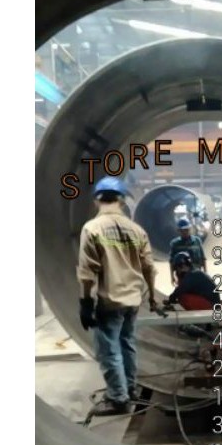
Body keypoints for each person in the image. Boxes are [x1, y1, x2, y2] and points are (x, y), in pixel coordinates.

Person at [76, 176, 157, 415]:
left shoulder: (92, 228)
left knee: (109, 350)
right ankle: (130, 389)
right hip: (133, 300)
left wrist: (85, 303)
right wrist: (153, 297)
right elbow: (149, 267)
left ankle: (118, 399)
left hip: (109, 300)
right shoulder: (137, 230)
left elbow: (87, 271)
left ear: (97, 200)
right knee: (127, 344)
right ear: (122, 201)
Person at [168, 217, 206, 284]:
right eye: (182, 230)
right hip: (182, 277)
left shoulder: (197, 241)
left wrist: (205, 274)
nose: (184, 232)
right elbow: (171, 262)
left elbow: (203, 258)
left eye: (186, 230)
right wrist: (172, 277)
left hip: (197, 275)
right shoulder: (175, 244)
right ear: (178, 231)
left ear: (189, 229)